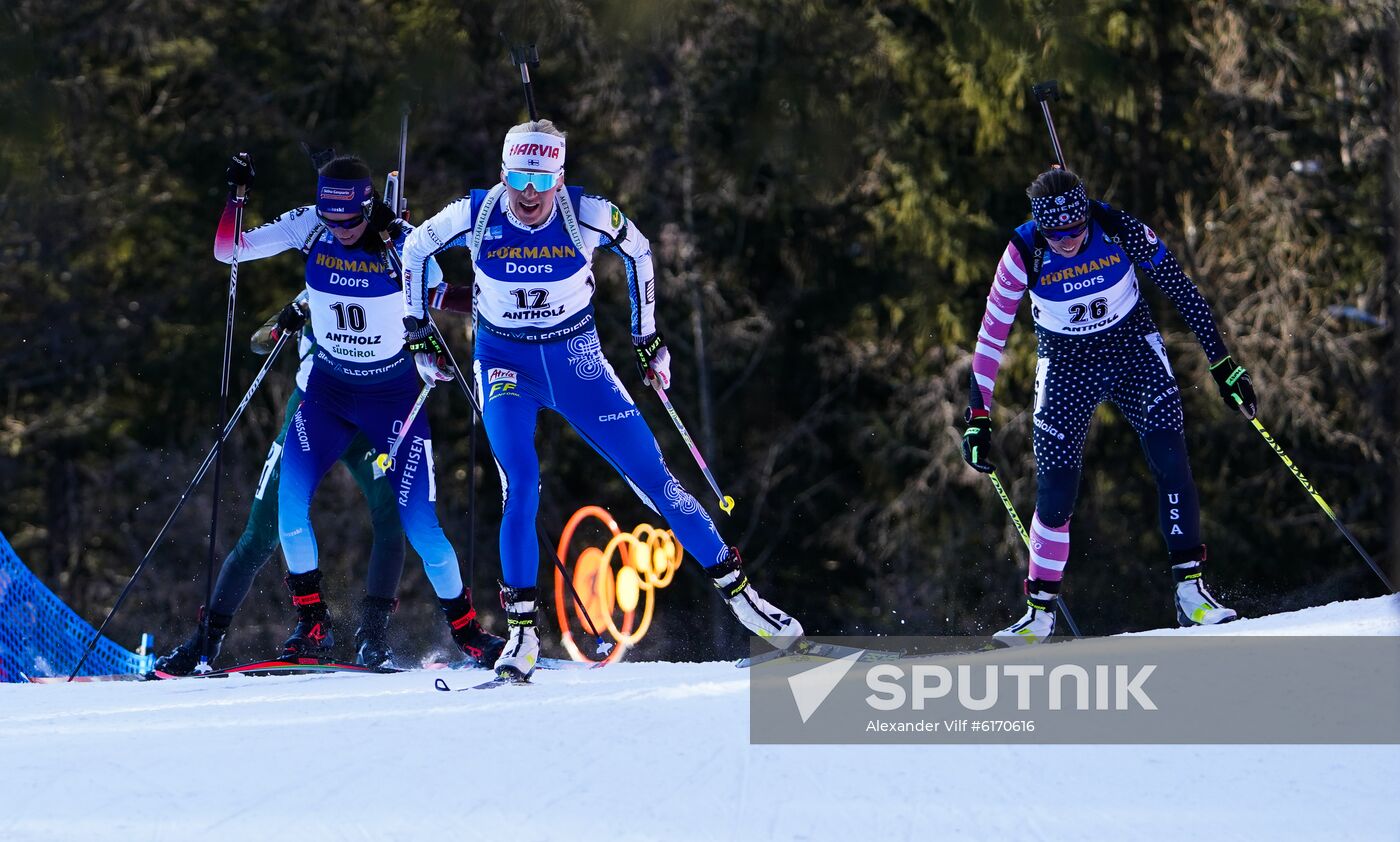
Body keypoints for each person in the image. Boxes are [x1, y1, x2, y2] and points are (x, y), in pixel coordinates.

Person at [399, 120, 803, 679]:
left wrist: (648, 338)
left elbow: (640, 255)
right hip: (505, 366)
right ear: (503, 173)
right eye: (518, 176)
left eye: (542, 178)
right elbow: (416, 248)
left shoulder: (584, 213)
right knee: (520, 481)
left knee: (655, 476)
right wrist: (416, 330)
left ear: (560, 178)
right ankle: (521, 635)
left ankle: (741, 596)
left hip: (577, 364)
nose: (530, 192)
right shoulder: (476, 213)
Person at [211, 152, 503, 665]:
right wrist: (236, 199)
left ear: (369, 208)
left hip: (391, 401)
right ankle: (313, 623)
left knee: (420, 526)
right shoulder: (310, 226)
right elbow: (227, 250)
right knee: (288, 511)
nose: (340, 230)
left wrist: (497, 296)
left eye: (350, 221)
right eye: (331, 220)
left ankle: (468, 633)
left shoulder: (402, 245)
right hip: (327, 395)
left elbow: (441, 297)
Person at [961, 168, 1256, 644]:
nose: (1069, 243)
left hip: (1131, 348)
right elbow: (992, 336)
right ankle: (1039, 612)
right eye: (1058, 236)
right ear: (1041, 227)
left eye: (1077, 232)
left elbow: (1180, 288)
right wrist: (978, 416)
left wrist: (1223, 365)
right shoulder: (1023, 251)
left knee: (1170, 459)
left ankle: (1191, 594)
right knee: (1056, 491)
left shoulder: (1120, 228)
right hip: (1067, 362)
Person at [154, 294, 410, 674]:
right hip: (312, 414)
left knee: (393, 518)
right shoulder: (319, 283)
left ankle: (372, 638)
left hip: (372, 419)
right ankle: (205, 642)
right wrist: (285, 322)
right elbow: (259, 342)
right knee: (260, 532)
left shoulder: (390, 281)